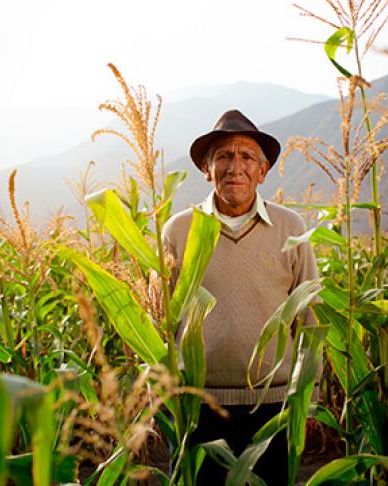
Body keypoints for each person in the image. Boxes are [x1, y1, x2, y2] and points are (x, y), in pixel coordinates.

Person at [162, 109, 319, 484]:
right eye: (224, 156)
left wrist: (307, 400)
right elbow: (160, 319)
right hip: (197, 407)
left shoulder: (290, 228)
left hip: (274, 408)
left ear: (262, 172)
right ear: (206, 168)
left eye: (247, 157)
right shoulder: (179, 230)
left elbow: (311, 320)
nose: (236, 167)